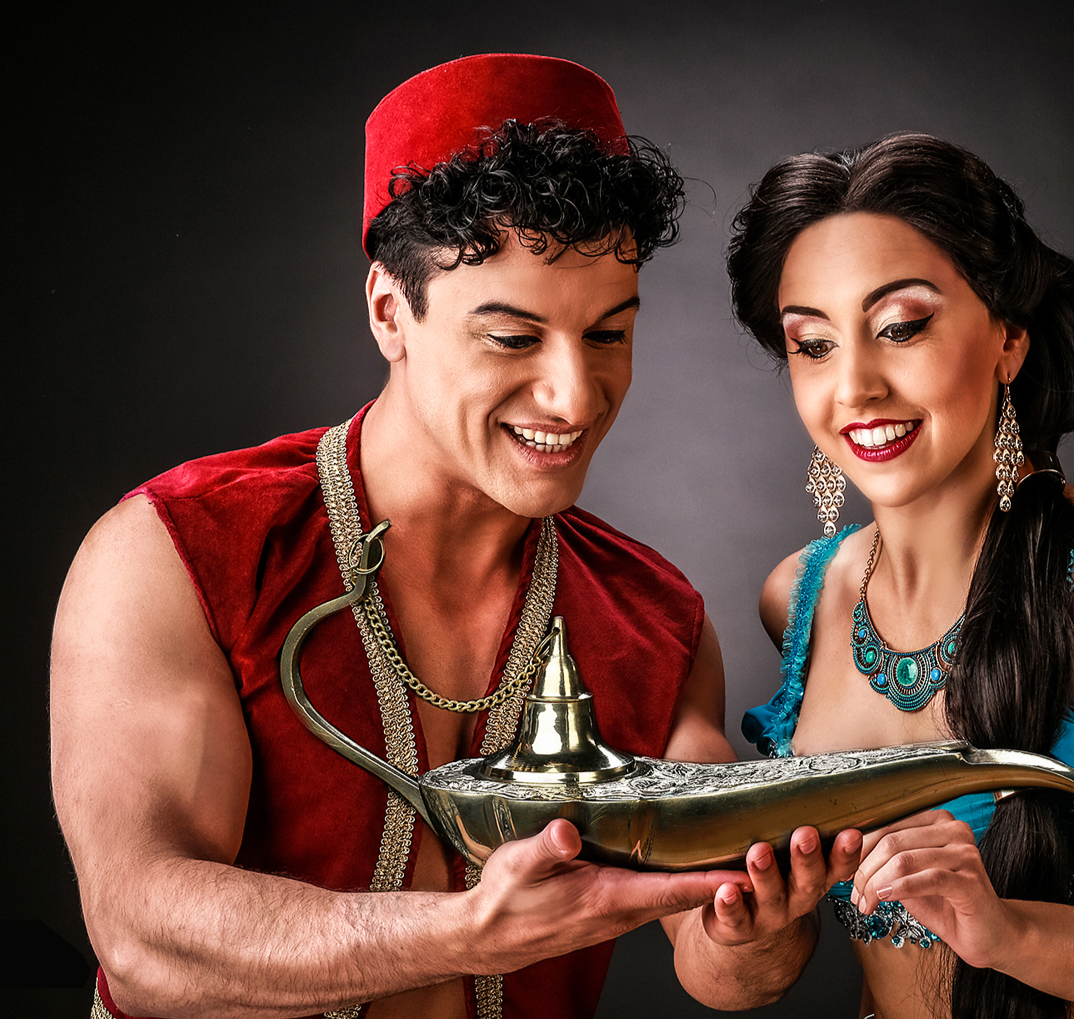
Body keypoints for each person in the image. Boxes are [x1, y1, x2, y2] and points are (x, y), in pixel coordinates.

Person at [50, 55, 858, 1019]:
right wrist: (471, 931)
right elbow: (142, 941)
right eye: (513, 337)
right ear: (389, 312)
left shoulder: (655, 622)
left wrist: (755, 926)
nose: (575, 397)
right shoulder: (178, 552)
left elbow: (726, 967)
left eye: (608, 334)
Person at [727, 134, 1074, 1019]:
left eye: (901, 327)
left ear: (1007, 338)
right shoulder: (799, 598)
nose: (855, 386)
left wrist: (1007, 932)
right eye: (814, 344)